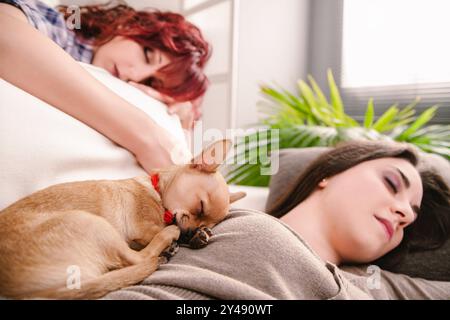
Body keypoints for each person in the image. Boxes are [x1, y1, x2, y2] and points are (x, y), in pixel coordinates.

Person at [102, 140, 450, 300]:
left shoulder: (381, 287)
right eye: (392, 184)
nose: (404, 212)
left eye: (411, 217)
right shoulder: (209, 218)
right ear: (328, 174)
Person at [0, 0, 210, 172]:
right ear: (130, 26)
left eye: (151, 82)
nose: (134, 75)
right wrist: (145, 137)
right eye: (147, 54)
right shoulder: (65, 29)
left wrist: (183, 124)